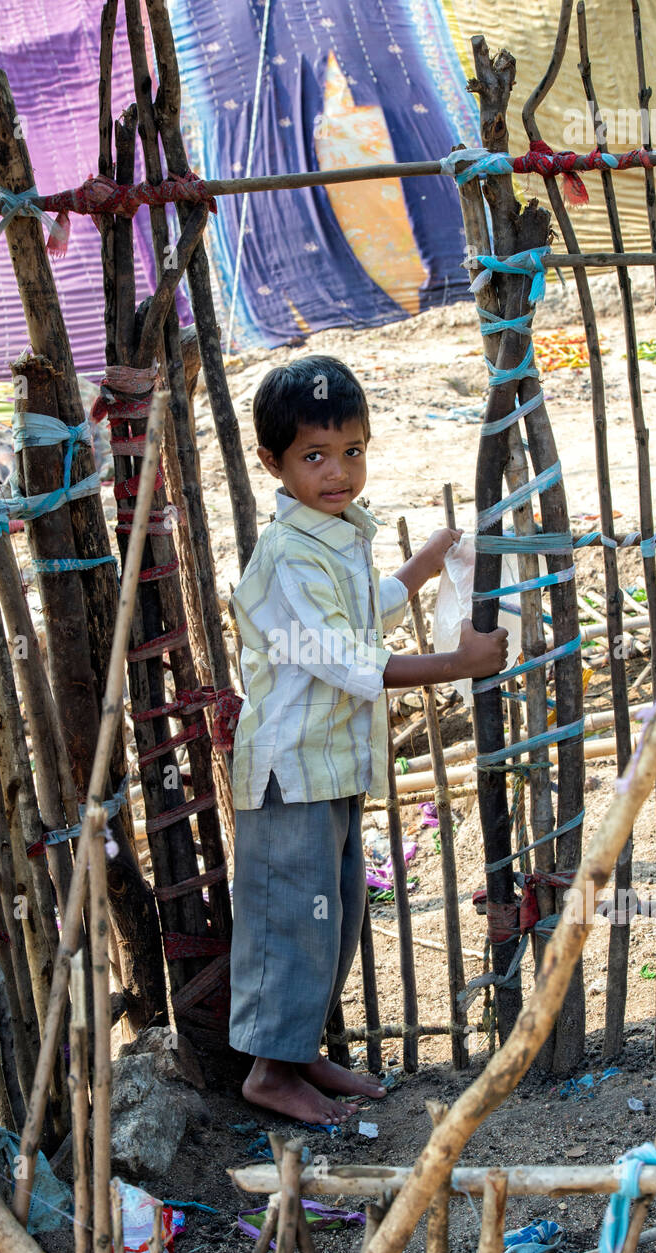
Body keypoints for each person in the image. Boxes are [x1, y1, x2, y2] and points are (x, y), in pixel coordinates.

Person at [229, 355, 508, 1124]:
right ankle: (267, 1072)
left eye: (352, 451)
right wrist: (455, 661)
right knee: (294, 916)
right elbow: (343, 658)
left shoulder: (337, 533)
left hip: (335, 764)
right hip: (290, 769)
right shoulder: (287, 552)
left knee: (337, 913)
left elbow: (354, 618)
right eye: (314, 457)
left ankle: (298, 1052)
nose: (337, 472)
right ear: (272, 464)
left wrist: (414, 574)